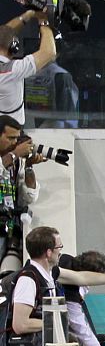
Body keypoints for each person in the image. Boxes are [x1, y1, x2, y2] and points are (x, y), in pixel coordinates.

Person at [58, 250, 105, 346]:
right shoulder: (71, 296)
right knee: (77, 343)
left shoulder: (65, 259)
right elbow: (82, 330)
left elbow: (83, 283)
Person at [0, 115, 46, 274]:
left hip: (7, 226)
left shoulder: (16, 162)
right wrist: (15, 154)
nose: (14, 143)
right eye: (11, 138)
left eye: (17, 139)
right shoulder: (12, 157)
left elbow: (29, 197)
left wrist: (29, 167)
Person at [0, 9, 57, 124]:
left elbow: (4, 33)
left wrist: (27, 15)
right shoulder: (12, 71)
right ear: (14, 48)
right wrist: (43, 21)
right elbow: (49, 52)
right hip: (8, 137)